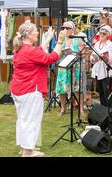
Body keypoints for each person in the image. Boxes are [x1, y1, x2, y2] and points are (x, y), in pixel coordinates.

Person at [10, 22, 66, 157]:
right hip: (30, 90)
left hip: (19, 89)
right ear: (28, 35)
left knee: (23, 119)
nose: (37, 33)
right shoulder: (30, 51)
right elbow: (52, 57)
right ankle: (28, 152)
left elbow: (38, 51)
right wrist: (60, 41)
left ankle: (24, 148)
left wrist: (48, 39)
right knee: (31, 120)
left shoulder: (21, 49)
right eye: (35, 32)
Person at [55, 21, 86, 117]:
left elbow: (83, 53)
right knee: (62, 88)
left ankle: (81, 109)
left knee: (78, 89)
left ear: (72, 29)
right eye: (64, 28)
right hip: (64, 66)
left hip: (75, 66)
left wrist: (74, 53)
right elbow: (56, 55)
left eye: (68, 28)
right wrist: (62, 51)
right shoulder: (61, 40)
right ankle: (63, 108)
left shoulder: (78, 39)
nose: (65, 30)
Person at [91, 25, 112, 107]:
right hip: (98, 70)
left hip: (106, 71)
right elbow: (92, 57)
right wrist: (93, 58)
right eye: (100, 33)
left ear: (108, 35)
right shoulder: (97, 44)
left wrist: (104, 57)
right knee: (101, 92)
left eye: (104, 34)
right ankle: (103, 109)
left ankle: (109, 110)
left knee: (107, 92)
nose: (101, 35)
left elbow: (110, 59)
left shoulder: (110, 45)